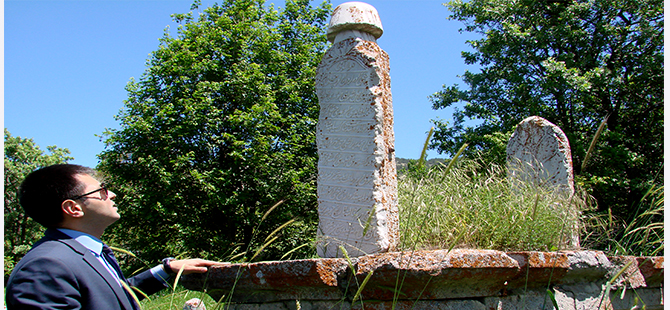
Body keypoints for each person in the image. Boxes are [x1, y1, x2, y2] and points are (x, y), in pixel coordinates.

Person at [6, 164, 222, 309]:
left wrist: (166, 270)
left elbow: (111, 296)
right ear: (74, 208)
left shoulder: (84, 254)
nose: (112, 194)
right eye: (101, 191)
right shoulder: (45, 266)